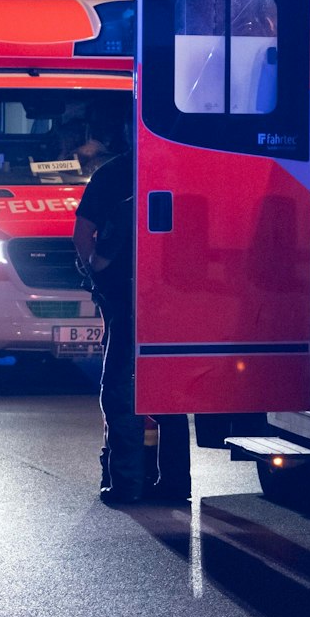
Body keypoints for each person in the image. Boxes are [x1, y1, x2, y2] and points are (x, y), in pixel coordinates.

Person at [72, 147, 185, 503]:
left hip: (125, 298)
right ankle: (175, 482)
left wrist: (96, 270)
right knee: (169, 393)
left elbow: (83, 234)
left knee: (120, 390)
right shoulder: (176, 169)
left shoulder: (112, 174)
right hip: (171, 296)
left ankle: (126, 484)